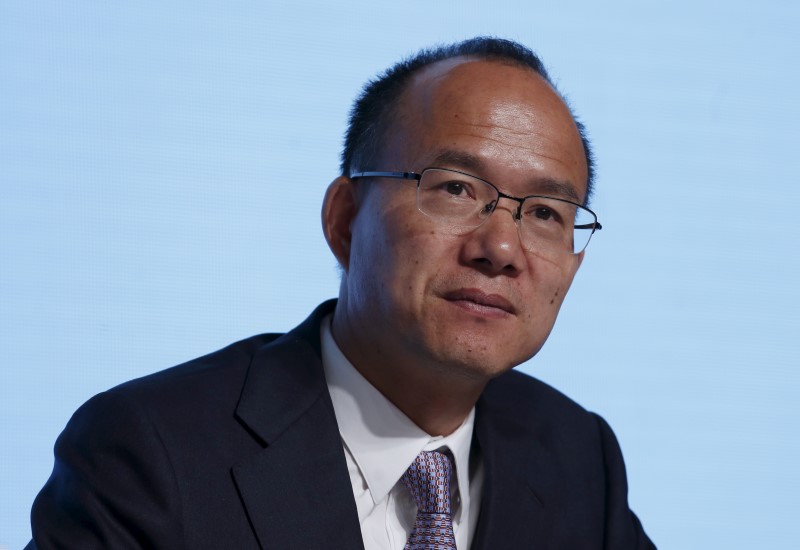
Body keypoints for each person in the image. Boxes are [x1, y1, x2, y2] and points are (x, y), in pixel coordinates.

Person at [27, 37, 655, 549]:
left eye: (545, 212)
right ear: (345, 220)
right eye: (456, 189)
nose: (501, 249)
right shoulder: (148, 455)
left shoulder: (578, 459)